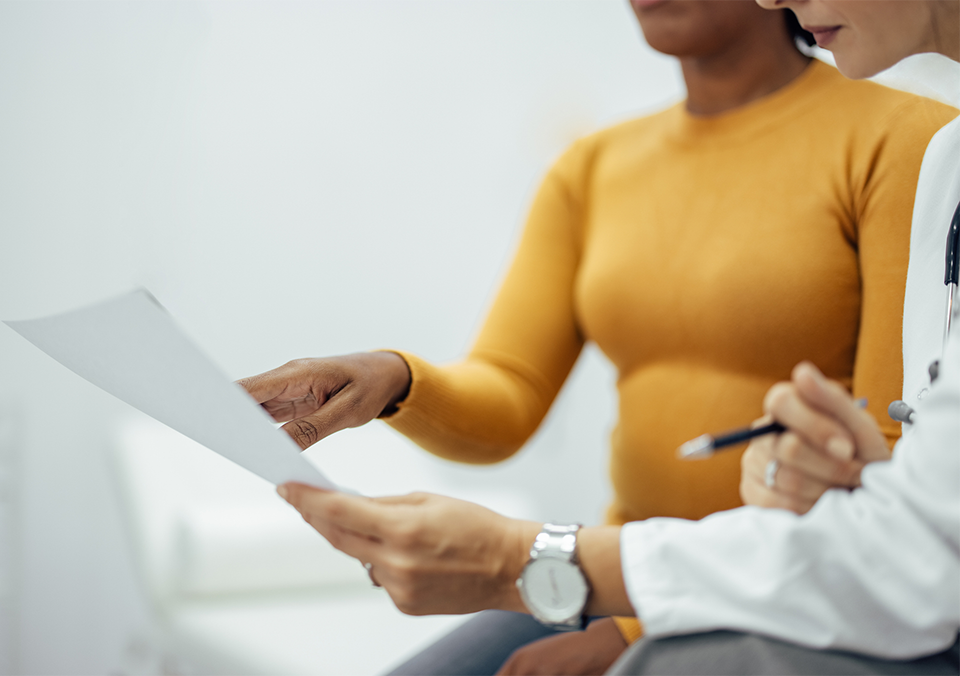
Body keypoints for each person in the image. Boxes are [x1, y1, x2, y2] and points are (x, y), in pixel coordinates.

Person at [241, 1, 956, 673]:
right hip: (610, 566)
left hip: (783, 575)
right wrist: (391, 378)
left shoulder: (909, 138)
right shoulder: (594, 168)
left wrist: (626, 631)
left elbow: (889, 449)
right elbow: (509, 396)